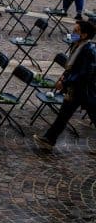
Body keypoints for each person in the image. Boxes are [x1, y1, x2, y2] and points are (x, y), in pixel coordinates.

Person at [33, 19, 96, 151]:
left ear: (84, 35)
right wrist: (64, 77)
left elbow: (83, 73)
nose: (72, 33)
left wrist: (65, 82)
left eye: (76, 31)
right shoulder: (78, 45)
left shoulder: (88, 50)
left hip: (83, 90)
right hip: (76, 88)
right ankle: (49, 139)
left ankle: (49, 139)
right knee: (63, 115)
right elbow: (72, 67)